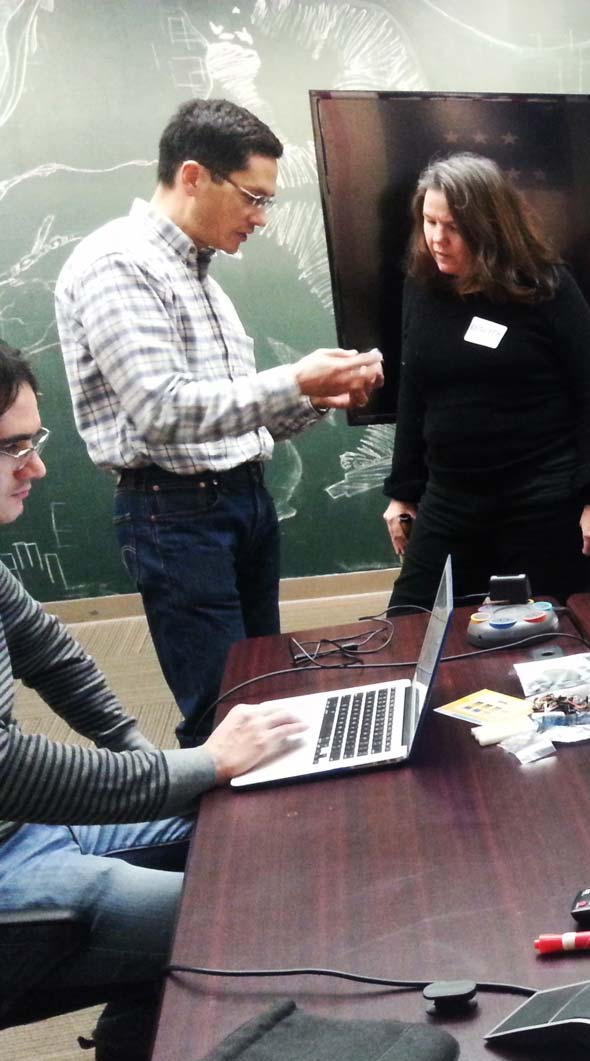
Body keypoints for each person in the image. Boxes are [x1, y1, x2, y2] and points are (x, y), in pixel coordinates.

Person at [0, 340, 307, 1059]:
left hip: (25, 833)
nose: (38, 466)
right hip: (14, 865)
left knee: (253, 833)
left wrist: (151, 767)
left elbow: (51, 651)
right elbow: (8, 768)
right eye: (13, 447)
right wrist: (192, 769)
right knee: (243, 912)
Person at [55, 99, 382, 747]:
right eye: (254, 198)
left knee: (267, 695)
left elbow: (231, 418)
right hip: (177, 513)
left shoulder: (200, 276)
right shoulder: (119, 264)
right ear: (194, 176)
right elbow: (163, 410)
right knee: (226, 719)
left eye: (268, 202)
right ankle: (229, 848)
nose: (261, 217)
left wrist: (320, 396)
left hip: (239, 504)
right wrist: (296, 379)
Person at [382, 153, 590, 610]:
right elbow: (412, 395)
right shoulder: (422, 287)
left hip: (540, 499)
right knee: (407, 622)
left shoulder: (547, 287)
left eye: (451, 226)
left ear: (489, 228)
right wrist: (402, 492)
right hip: (450, 497)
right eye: (429, 222)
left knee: (542, 637)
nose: (436, 238)